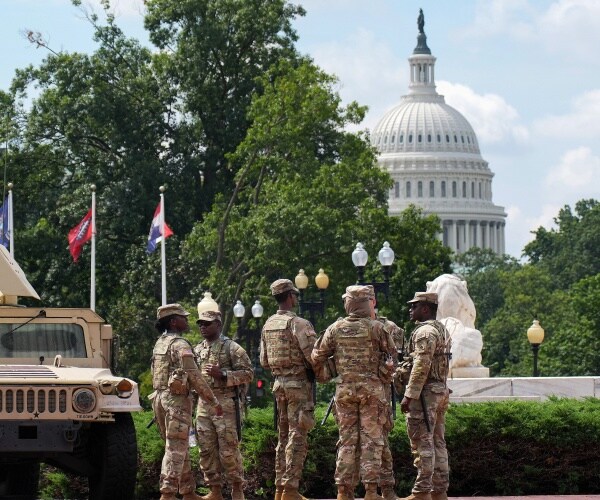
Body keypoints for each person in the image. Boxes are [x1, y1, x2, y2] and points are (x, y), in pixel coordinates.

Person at [312, 285, 396, 500]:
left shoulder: (335, 328)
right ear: (368, 303)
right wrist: (382, 372)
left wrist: (331, 371)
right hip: (372, 392)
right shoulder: (377, 328)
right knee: (371, 440)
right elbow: (392, 358)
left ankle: (343, 491)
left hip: (344, 391)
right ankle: (371, 491)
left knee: (347, 441)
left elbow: (317, 357)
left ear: (348, 303)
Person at [150, 303, 223, 500]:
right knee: (176, 449)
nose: (187, 320)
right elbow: (194, 376)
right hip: (176, 402)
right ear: (174, 321)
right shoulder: (180, 344)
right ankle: (167, 494)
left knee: (179, 447)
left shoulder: (160, 343)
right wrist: (212, 401)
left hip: (159, 399)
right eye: (183, 317)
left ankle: (188, 492)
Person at [260, 278, 317, 500]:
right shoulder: (299, 323)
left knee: (283, 436)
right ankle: (291, 489)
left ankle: (279, 489)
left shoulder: (268, 324)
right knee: (297, 436)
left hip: (279, 385)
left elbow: (264, 361)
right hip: (298, 386)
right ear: (291, 296)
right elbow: (313, 357)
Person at [193, 310, 254, 500]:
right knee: (206, 449)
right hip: (203, 405)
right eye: (200, 324)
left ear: (218, 325)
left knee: (228, 449)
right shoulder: (196, 350)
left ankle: (237, 488)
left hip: (225, 404)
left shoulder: (232, 348)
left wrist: (223, 374)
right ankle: (215, 490)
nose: (203, 327)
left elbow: (248, 374)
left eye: (207, 323)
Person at [397, 292, 451, 500]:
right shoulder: (441, 329)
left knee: (423, 443)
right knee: (438, 442)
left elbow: (421, 365)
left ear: (426, 309)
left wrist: (409, 395)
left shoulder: (425, 332)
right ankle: (439, 490)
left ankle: (422, 492)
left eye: (415, 306)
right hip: (439, 390)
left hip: (425, 394)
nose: (411, 309)